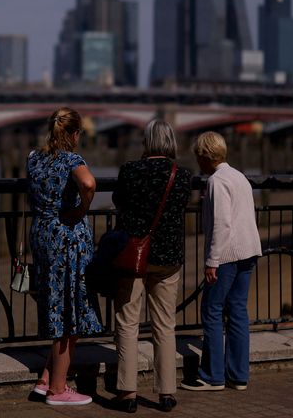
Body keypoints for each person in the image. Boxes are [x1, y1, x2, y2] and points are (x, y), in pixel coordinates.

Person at [110, 119, 192, 413]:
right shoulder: (182, 175)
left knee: (128, 323)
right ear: (171, 143)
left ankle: (127, 393)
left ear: (146, 142)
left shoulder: (129, 171)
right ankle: (166, 393)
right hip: (168, 258)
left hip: (133, 256)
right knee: (165, 325)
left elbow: (118, 201)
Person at [26, 107, 102, 406]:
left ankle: (45, 380)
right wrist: (82, 209)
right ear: (74, 134)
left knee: (55, 303)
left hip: (42, 234)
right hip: (67, 238)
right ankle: (59, 389)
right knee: (70, 310)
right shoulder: (72, 160)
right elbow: (89, 183)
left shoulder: (34, 158)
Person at [181, 131, 262, 392]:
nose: (197, 161)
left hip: (227, 254)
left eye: (198, 156)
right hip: (249, 250)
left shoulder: (216, 181)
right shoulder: (240, 177)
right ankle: (239, 375)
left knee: (212, 310)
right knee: (238, 310)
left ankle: (212, 375)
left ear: (204, 156)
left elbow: (222, 225)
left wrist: (212, 261)